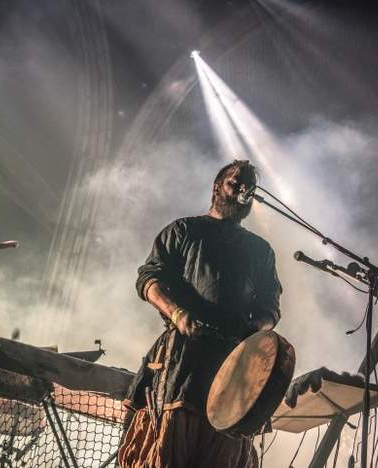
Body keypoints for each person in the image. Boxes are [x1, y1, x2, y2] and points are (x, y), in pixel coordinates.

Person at [118, 160, 282, 468]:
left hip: (233, 367)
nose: (242, 190)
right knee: (169, 451)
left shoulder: (260, 251)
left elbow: (271, 305)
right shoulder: (184, 230)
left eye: (249, 186)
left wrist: (258, 327)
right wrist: (177, 314)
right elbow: (148, 280)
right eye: (235, 183)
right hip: (184, 362)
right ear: (217, 187)